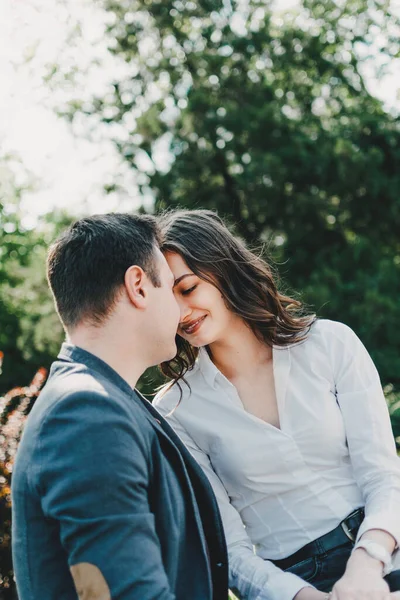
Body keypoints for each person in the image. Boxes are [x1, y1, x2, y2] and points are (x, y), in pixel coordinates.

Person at [153, 208, 400, 600]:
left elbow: (384, 476)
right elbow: (228, 550)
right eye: (166, 301)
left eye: (188, 289)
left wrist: (365, 567)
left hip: (384, 550)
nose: (181, 313)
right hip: (297, 584)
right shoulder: (175, 411)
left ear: (223, 270)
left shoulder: (331, 345)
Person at [11, 213, 228, 600]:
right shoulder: (85, 413)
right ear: (139, 286)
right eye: (171, 290)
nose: (180, 312)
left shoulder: (105, 402)